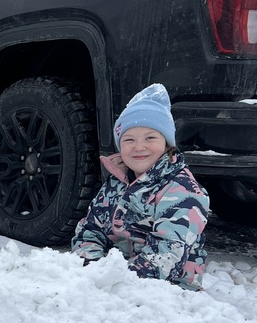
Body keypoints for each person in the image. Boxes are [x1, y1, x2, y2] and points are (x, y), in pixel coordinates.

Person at [71, 82, 209, 289]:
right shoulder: (116, 183)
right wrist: (92, 269)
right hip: (115, 281)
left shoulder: (183, 191)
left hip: (169, 288)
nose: (139, 147)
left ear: (167, 144)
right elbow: (90, 231)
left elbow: (169, 252)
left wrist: (120, 282)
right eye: (129, 139)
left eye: (150, 137)